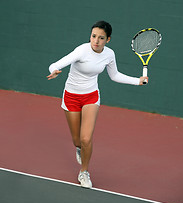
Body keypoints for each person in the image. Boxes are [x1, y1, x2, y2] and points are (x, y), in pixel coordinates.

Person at [47, 21, 148, 189]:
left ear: (108, 39)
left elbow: (114, 75)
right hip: (71, 96)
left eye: (101, 38)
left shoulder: (109, 54)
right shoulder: (81, 50)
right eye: (94, 36)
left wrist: (137, 81)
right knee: (77, 140)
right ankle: (79, 148)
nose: (96, 41)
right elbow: (56, 64)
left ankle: (84, 172)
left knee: (86, 138)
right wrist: (54, 70)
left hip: (91, 96)